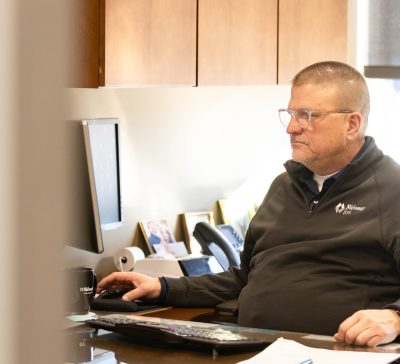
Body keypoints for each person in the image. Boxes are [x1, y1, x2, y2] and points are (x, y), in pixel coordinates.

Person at [97, 61, 400, 347]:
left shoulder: (392, 190)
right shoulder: (283, 186)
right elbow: (245, 278)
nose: (291, 128)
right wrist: (163, 288)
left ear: (352, 124)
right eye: (290, 113)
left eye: (307, 116)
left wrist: (395, 319)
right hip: (254, 354)